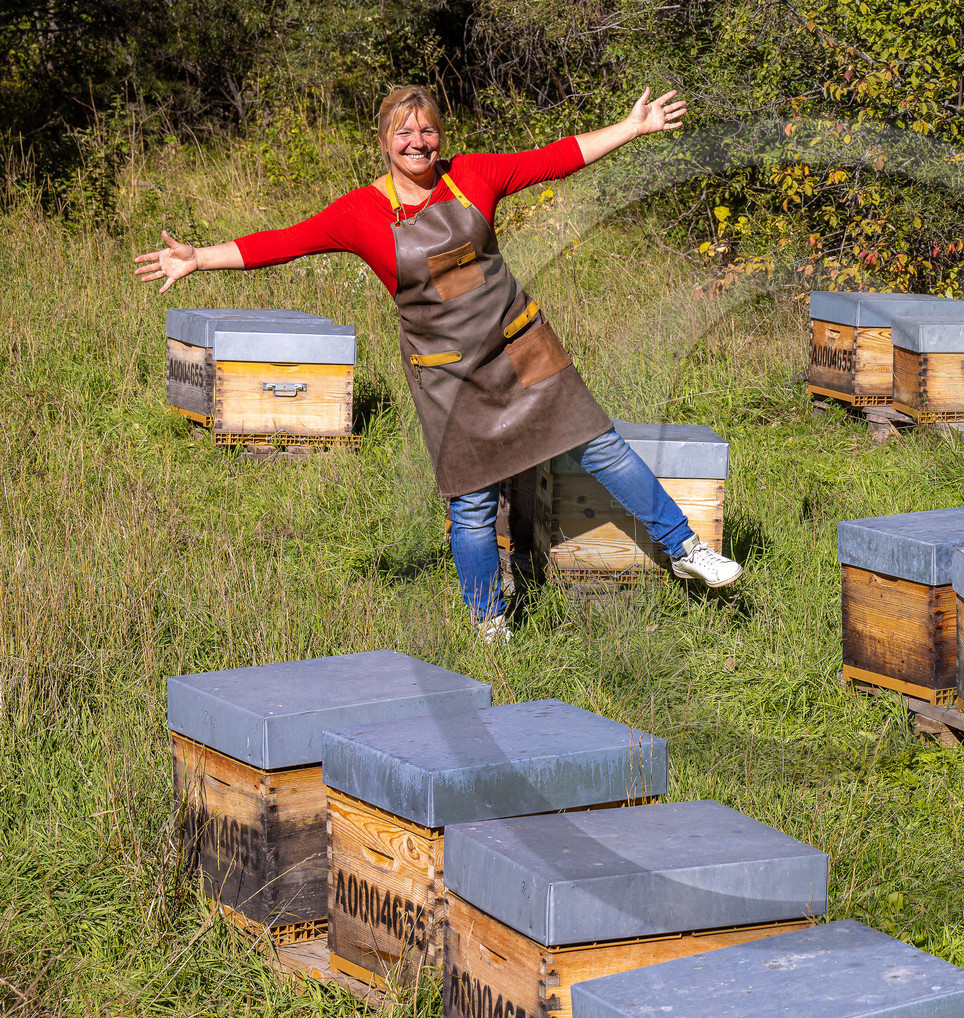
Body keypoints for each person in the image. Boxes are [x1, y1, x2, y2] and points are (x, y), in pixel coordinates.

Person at [135, 85, 742, 642]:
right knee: (472, 503)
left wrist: (630, 128)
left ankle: (686, 548)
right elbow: (284, 242)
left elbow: (556, 157)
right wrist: (199, 258)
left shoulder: (473, 175)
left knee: (600, 444)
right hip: (448, 374)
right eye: (404, 133)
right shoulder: (359, 213)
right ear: (384, 141)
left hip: (521, 345)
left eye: (426, 132)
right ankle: (488, 620)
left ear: (440, 137)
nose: (417, 143)